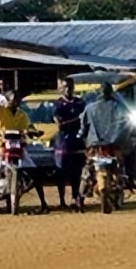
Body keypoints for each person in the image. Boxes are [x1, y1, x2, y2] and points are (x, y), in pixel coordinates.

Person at [0, 90, 47, 212]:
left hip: (18, 147)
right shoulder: (1, 111)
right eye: (13, 100)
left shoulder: (22, 114)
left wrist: (34, 132)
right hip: (1, 146)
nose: (16, 103)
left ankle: (43, 203)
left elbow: (29, 127)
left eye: (17, 100)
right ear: (7, 101)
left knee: (34, 173)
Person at [81, 82, 136, 190]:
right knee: (129, 156)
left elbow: (83, 127)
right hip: (115, 144)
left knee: (88, 165)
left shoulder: (90, 108)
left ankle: (83, 190)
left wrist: (82, 135)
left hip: (96, 144)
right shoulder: (121, 107)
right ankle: (130, 180)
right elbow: (128, 125)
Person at [53, 77, 86, 210]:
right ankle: (62, 200)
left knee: (77, 172)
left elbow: (84, 119)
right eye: (65, 87)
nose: (68, 89)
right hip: (63, 143)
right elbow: (58, 121)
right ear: (62, 89)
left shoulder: (80, 103)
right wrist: (64, 122)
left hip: (78, 142)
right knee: (61, 172)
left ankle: (75, 197)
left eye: (70, 87)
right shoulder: (59, 104)